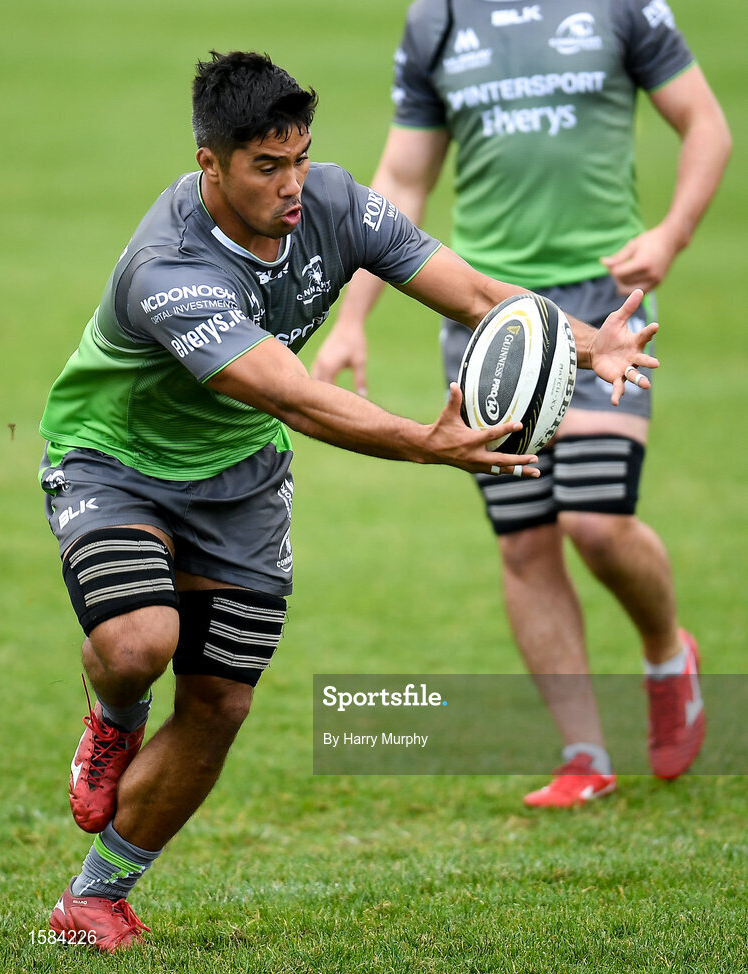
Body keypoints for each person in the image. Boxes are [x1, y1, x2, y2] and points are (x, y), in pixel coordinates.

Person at [39, 50, 656, 950]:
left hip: (241, 482)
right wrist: (427, 443)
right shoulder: (168, 268)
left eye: (299, 158)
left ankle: (95, 897)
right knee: (139, 644)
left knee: (221, 705)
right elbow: (296, 395)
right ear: (209, 163)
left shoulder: (334, 202)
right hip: (116, 461)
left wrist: (578, 340)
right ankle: (114, 717)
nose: (294, 185)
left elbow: (478, 294)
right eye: (266, 166)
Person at [311, 1, 731, 806]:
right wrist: (353, 317)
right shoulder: (435, 19)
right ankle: (583, 754)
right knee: (524, 541)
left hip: (601, 298)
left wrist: (672, 234)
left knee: (596, 520)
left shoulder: (620, 8)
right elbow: (401, 179)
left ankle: (664, 654)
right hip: (490, 316)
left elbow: (705, 125)